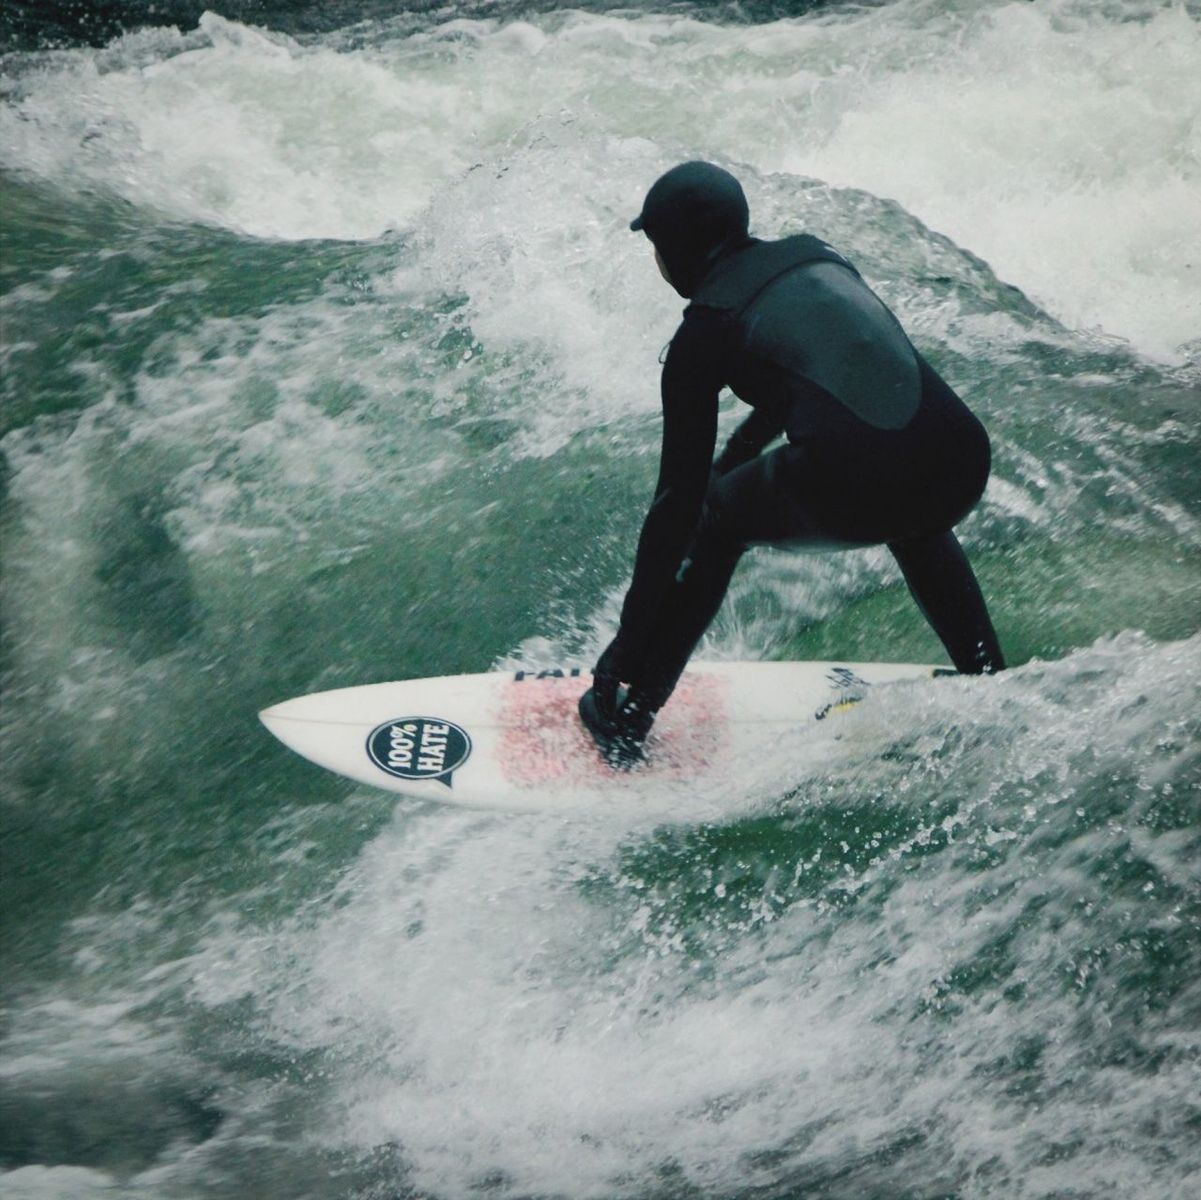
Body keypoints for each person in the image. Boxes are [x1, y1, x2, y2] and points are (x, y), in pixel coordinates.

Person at [578, 161, 1005, 768]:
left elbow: (676, 505)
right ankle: (990, 682)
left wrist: (627, 642)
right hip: (959, 458)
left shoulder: (705, 331)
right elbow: (821, 381)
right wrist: (739, 457)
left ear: (674, 251)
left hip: (875, 482)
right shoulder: (817, 257)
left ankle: (632, 717)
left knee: (714, 523)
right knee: (913, 511)